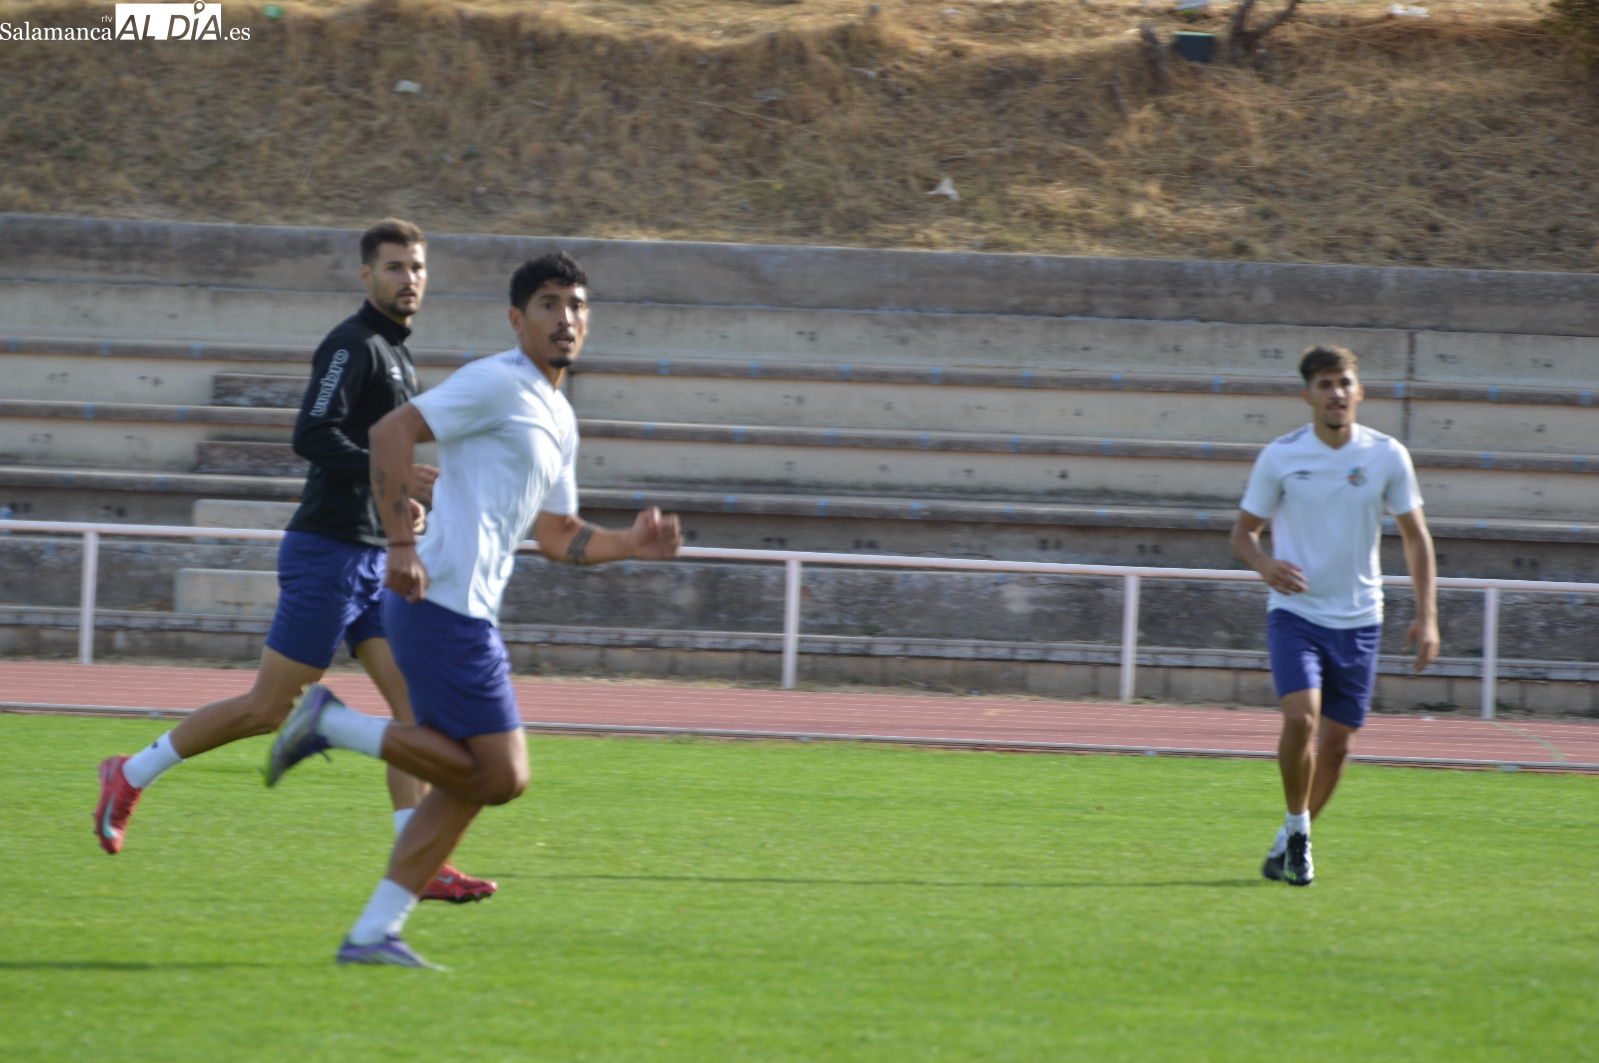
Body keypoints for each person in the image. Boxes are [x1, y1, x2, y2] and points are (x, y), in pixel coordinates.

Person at [264, 250, 682, 968]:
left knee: (466, 779)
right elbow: (390, 432)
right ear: (517, 319)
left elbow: (556, 535)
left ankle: (372, 934)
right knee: (502, 774)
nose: (566, 318)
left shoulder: (559, 416)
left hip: (468, 609)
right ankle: (329, 722)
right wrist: (400, 541)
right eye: (549, 304)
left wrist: (630, 545)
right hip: (440, 601)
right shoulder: (496, 381)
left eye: (577, 305)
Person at [93, 218, 495, 903]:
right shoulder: (353, 344)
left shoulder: (400, 357)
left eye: (418, 267)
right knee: (266, 709)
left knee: (415, 711)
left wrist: (402, 502)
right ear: (365, 274)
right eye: (395, 267)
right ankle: (130, 772)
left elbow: (374, 464)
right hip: (329, 556)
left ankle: (417, 860)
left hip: (373, 558)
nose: (409, 279)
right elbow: (312, 435)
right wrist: (391, 471)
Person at [1230, 345, 1439, 887]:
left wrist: (1428, 615)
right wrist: (1264, 564)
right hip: (1296, 613)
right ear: (1308, 395)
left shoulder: (1387, 455)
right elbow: (1242, 534)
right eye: (1324, 384)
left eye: (1344, 382)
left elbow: (1416, 537)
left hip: (1360, 619)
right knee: (1301, 718)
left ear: (1359, 391)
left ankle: (1289, 840)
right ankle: (1300, 835)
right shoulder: (1280, 456)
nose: (1336, 393)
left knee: (1340, 744)